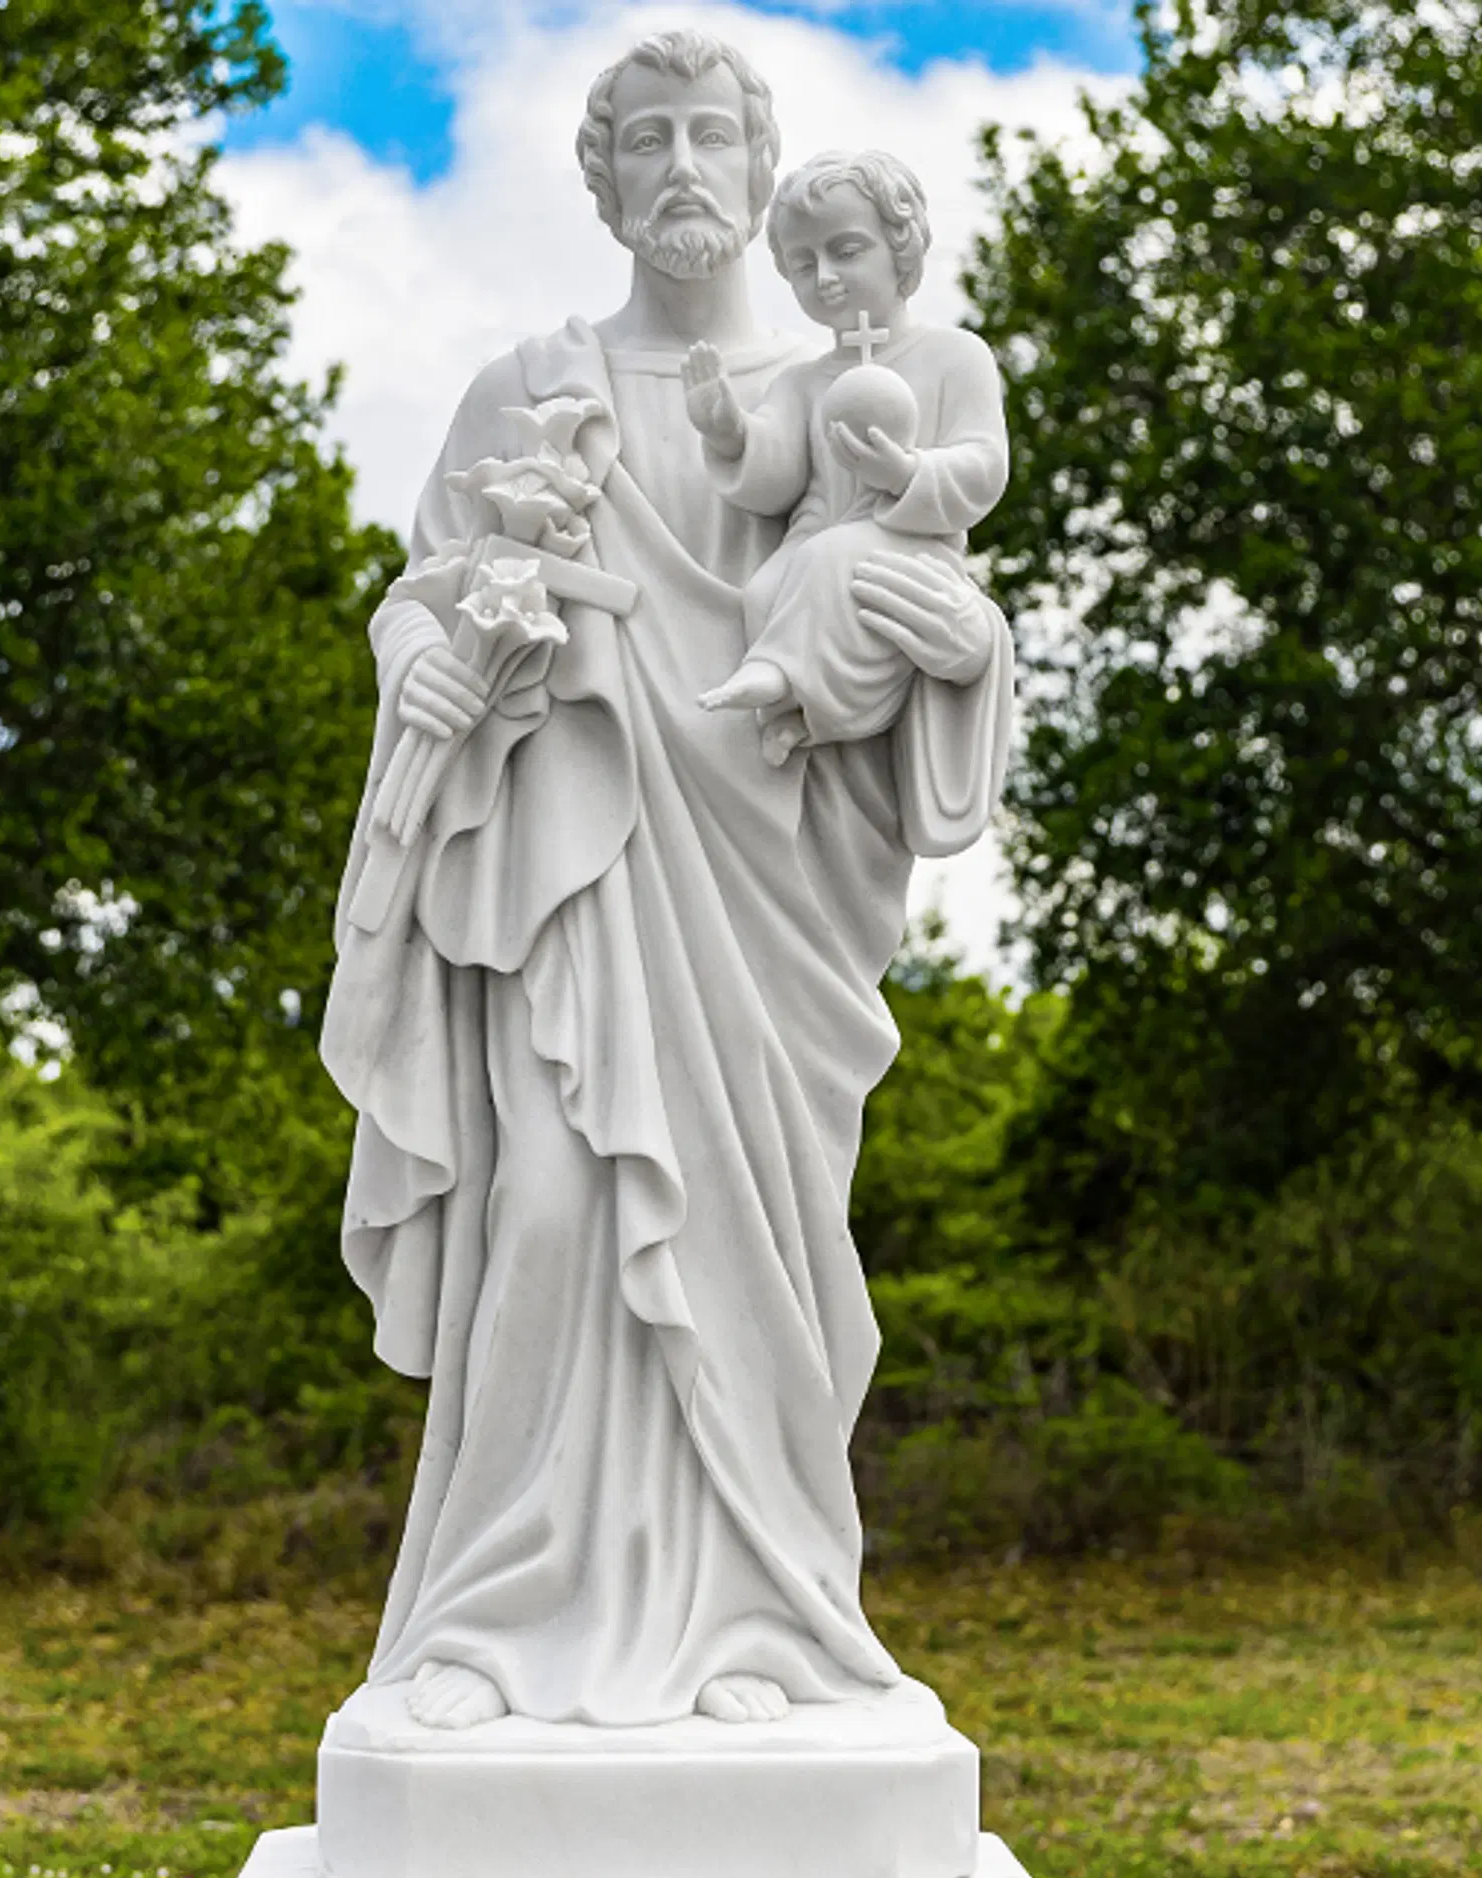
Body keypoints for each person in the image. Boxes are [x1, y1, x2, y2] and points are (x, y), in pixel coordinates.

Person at [320, 31, 1014, 1730]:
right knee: (551, 1215)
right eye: (650, 138)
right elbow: (425, 585)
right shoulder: (525, 382)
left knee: (747, 1243)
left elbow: (923, 587)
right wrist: (422, 655)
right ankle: (491, 1625)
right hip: (575, 860)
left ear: (763, 173)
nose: (684, 163)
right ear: (602, 176)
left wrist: (965, 646)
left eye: (714, 132)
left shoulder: (848, 391)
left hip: (768, 892)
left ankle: (758, 1627)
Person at [685, 151, 1012, 768]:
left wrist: (908, 474)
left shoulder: (954, 356)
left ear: (902, 248)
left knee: (832, 559)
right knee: (765, 590)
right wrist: (729, 431)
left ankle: (779, 679)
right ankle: (800, 714)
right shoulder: (803, 382)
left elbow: (984, 464)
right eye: (804, 264)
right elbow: (776, 474)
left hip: (905, 543)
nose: (826, 275)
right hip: (817, 538)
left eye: (847, 250)